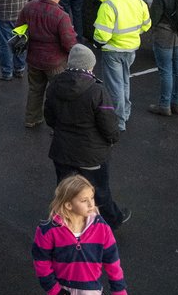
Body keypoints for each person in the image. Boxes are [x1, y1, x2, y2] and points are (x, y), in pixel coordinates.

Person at [44, 44, 129, 229]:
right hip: (91, 154)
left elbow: (49, 117)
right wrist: (112, 139)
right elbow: (109, 124)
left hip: (62, 152)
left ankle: (67, 224)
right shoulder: (96, 90)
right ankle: (112, 220)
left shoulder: (54, 85)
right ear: (89, 65)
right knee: (98, 191)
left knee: (66, 191)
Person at [92, 0, 150, 131]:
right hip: (131, 48)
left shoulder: (108, 4)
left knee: (115, 85)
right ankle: (125, 113)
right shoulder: (137, 1)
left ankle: (118, 121)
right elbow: (146, 24)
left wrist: (97, 43)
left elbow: (102, 35)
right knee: (124, 82)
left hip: (113, 50)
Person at [18, 0, 77, 128]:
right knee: (58, 93)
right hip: (55, 62)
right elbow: (69, 42)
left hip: (33, 59)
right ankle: (57, 124)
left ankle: (31, 118)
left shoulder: (29, 7)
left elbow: (19, 28)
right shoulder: (61, 16)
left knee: (35, 89)